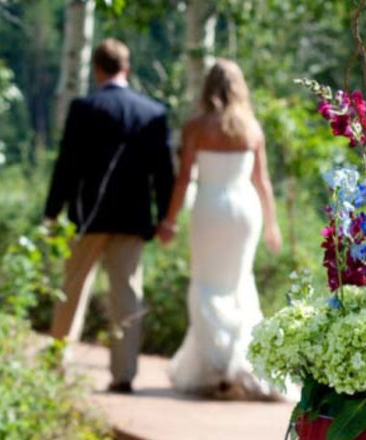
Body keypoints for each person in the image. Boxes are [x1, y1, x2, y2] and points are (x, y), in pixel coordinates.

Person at [45, 39, 175, 394]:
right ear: (127, 69)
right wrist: (165, 217)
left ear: (97, 69)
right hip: (133, 220)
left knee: (71, 290)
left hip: (88, 217)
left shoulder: (84, 107)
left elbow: (67, 165)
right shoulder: (152, 113)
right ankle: (124, 374)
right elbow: (164, 173)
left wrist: (52, 211)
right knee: (127, 295)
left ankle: (57, 365)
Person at [162, 58, 282, 399]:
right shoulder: (251, 127)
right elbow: (263, 181)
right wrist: (272, 225)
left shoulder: (196, 127)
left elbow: (184, 178)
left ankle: (217, 365)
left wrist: (169, 221)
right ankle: (240, 363)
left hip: (210, 209)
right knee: (239, 283)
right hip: (245, 210)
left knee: (207, 283)